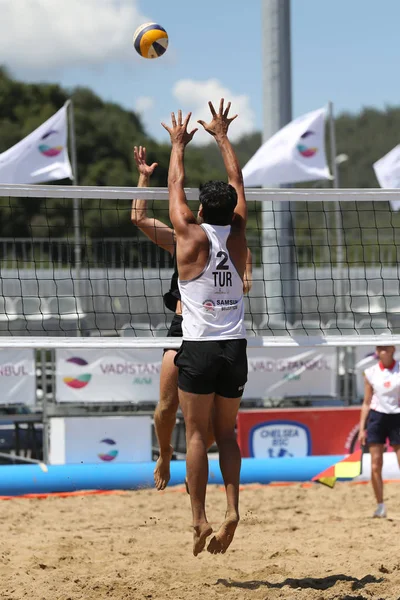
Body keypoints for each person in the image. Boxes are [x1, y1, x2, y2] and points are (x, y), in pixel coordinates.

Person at [131, 145, 252, 492]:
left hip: (216, 330)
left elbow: (246, 285)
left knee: (212, 426)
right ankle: (166, 452)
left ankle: (194, 464)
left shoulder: (236, 243)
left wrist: (228, 284)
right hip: (182, 327)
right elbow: (139, 219)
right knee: (167, 406)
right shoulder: (187, 237)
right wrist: (143, 177)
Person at [162, 99, 248, 557]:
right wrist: (221, 136)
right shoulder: (237, 234)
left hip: (198, 346)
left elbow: (174, 183)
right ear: (232, 209)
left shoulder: (188, 234)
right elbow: (237, 182)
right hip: (234, 347)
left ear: (198, 206)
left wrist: (178, 143)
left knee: (195, 436)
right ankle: (233, 508)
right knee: (228, 435)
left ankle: (199, 519)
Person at [359, 345, 400, 518]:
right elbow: (367, 402)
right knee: (375, 464)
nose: (382, 350)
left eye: (385, 347)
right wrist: (362, 428)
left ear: (393, 349)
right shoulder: (370, 372)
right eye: (379, 347)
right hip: (377, 417)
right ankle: (380, 506)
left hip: (397, 416)